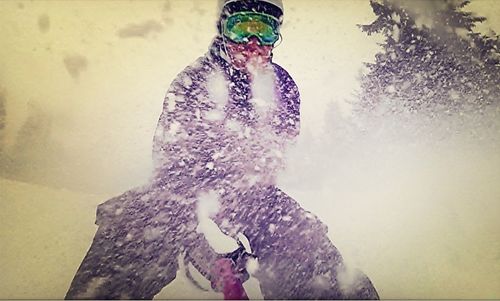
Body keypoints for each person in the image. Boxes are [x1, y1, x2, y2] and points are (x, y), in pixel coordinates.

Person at [65, 0, 379, 299]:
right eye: (242, 28)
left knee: (303, 239)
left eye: (266, 30)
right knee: (137, 220)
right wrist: (202, 240)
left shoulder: (283, 86)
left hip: (254, 198)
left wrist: (254, 208)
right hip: (186, 195)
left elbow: (274, 161)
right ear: (223, 29)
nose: (253, 43)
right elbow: (169, 172)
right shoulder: (194, 82)